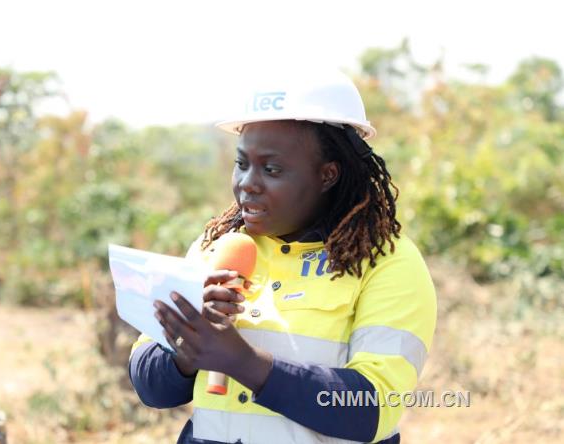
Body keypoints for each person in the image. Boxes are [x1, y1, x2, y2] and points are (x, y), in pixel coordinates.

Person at [129, 71, 436, 443]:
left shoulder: (387, 261)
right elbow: (151, 387)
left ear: (328, 175)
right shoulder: (217, 247)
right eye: (242, 164)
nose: (248, 184)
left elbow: (372, 409)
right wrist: (187, 351)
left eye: (271, 169)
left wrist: (242, 361)